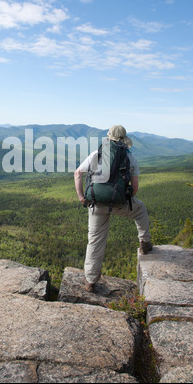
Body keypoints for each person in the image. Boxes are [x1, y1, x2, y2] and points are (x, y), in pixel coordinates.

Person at [74, 125, 152, 293]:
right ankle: (145, 241)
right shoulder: (130, 157)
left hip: (95, 204)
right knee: (140, 210)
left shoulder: (97, 154)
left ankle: (90, 281)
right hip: (119, 203)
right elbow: (135, 187)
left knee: (95, 241)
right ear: (124, 140)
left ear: (108, 138)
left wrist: (82, 197)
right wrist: (124, 198)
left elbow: (77, 173)